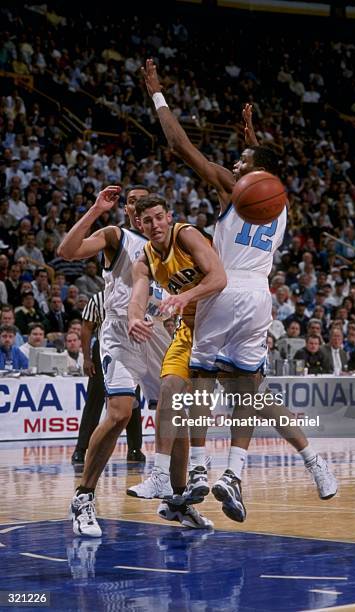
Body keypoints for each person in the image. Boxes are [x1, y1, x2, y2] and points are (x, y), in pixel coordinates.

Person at [134, 60, 337, 522]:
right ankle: (238, 473)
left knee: (201, 384)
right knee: (249, 392)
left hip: (222, 291)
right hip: (259, 296)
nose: (234, 164)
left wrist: (157, 94)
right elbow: (264, 172)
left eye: (241, 162)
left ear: (251, 175)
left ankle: (201, 470)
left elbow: (179, 145)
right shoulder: (279, 204)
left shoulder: (234, 188)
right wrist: (252, 138)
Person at [58, 185, 180, 538]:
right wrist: (96, 209)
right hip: (122, 331)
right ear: (129, 212)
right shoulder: (117, 235)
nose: (138, 207)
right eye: (131, 202)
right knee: (120, 412)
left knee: (176, 412)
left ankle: (178, 500)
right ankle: (83, 497)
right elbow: (67, 251)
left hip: (157, 331)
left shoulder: (171, 243)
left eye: (146, 203)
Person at [126, 194, 226, 523]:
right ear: (139, 224)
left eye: (158, 217)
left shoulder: (187, 235)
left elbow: (218, 278)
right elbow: (138, 293)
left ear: (168, 217)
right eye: (147, 221)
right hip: (189, 329)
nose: (154, 225)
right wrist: (134, 319)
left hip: (222, 326)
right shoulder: (145, 258)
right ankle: (160, 476)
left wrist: (184, 296)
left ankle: (204, 467)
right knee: (168, 386)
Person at [71, 291, 145, 465]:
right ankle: (81, 449)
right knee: (94, 401)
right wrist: (87, 358)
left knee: (132, 401)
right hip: (104, 349)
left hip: (132, 348)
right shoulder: (98, 298)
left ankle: (135, 449)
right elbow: (87, 327)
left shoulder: (138, 294)